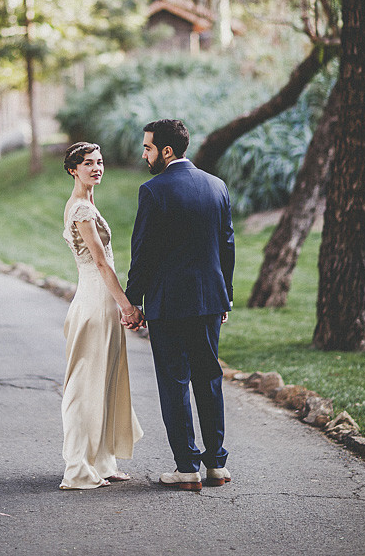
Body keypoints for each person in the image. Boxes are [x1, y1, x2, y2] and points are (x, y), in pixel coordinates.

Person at [123, 119, 234, 492]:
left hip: (169, 305)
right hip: (209, 303)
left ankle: (187, 467)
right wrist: (226, 296)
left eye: (148, 148)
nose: (144, 154)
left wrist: (132, 301)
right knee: (209, 378)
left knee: (175, 383)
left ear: (166, 151)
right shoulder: (217, 186)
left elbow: (143, 254)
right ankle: (216, 466)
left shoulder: (153, 191)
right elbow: (227, 246)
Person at [60, 142, 143, 490]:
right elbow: (100, 262)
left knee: (105, 382)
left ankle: (102, 460)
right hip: (96, 304)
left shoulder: (90, 203)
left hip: (100, 302)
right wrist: (127, 305)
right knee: (86, 385)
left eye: (100, 162)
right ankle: (78, 468)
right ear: (72, 170)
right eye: (88, 163)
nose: (97, 168)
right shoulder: (80, 209)